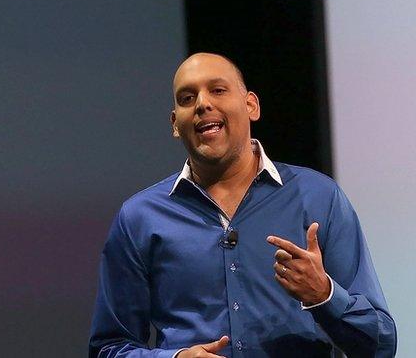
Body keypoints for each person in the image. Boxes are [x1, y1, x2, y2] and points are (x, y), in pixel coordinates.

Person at [89, 53, 396, 357]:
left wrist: (324, 295)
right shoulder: (140, 218)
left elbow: (380, 343)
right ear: (174, 124)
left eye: (218, 90)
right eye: (187, 97)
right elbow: (110, 349)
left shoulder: (318, 197)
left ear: (251, 105)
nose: (202, 104)